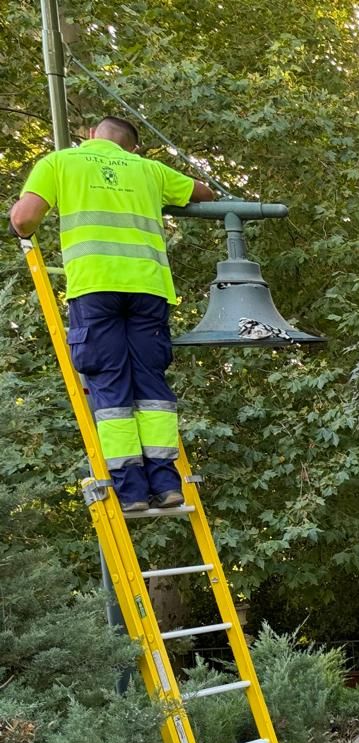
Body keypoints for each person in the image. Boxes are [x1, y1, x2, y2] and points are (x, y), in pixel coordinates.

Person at [9, 116, 218, 514]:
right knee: (151, 386)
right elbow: (204, 193)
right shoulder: (149, 170)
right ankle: (166, 484)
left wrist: (17, 226)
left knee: (109, 384)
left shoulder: (60, 162)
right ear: (132, 147)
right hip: (148, 289)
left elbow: (25, 219)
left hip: (95, 288)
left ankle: (132, 490)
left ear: (91, 135)